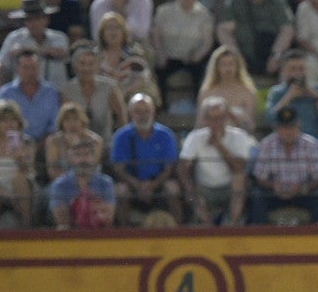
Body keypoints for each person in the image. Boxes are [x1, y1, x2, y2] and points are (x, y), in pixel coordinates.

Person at [178, 95, 255, 224]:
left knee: (239, 179)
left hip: (229, 188)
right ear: (205, 119)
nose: (217, 123)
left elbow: (239, 168)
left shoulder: (239, 136)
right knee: (193, 192)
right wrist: (189, 188)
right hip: (204, 188)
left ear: (227, 118)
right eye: (212, 119)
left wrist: (220, 146)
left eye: (220, 118)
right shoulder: (195, 137)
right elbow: (182, 168)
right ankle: (208, 226)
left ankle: (232, 225)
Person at [249, 105, 318, 223]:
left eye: (292, 127)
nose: (288, 132)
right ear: (276, 128)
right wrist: (273, 186)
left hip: (303, 192)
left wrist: (302, 188)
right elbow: (260, 177)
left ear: (299, 127)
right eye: (284, 128)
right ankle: (259, 236)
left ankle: (317, 236)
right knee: (256, 195)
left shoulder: (310, 144)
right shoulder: (267, 144)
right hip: (275, 193)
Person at [111, 92, 182, 223]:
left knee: (172, 188)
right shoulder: (121, 136)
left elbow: (169, 167)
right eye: (138, 111)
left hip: (159, 183)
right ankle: (124, 232)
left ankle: (177, 228)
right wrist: (138, 185)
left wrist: (153, 185)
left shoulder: (165, 135)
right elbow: (119, 168)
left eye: (146, 111)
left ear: (153, 112)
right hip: (132, 183)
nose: (142, 116)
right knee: (121, 191)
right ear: (130, 113)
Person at [218, 0, 296, 77]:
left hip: (272, 52)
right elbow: (224, 31)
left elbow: (287, 29)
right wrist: (236, 57)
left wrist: (276, 55)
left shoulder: (278, 2)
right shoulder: (234, 3)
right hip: (243, 53)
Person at [0, 101, 40, 227]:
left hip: (23, 187)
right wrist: (5, 194)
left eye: (13, 120)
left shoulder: (27, 142)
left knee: (19, 179)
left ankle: (26, 224)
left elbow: (29, 172)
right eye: (4, 120)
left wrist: (19, 159)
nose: (9, 124)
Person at [0, 0, 71, 90]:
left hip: (55, 95)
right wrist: (3, 90)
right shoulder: (14, 38)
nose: (34, 23)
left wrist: (24, 51)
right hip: (23, 95)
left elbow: (61, 52)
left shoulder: (59, 37)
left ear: (46, 19)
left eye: (38, 18)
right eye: (29, 19)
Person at [49, 133, 117, 229]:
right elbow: (60, 219)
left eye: (87, 154)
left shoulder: (106, 182)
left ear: (94, 158)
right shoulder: (60, 184)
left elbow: (109, 217)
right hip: (71, 234)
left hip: (99, 232)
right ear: (70, 159)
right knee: (62, 228)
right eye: (78, 155)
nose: (83, 160)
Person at [0, 50, 64, 142]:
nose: (30, 72)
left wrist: (40, 145)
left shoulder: (51, 92)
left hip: (46, 145)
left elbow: (55, 124)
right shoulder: (5, 93)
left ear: (39, 68)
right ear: (17, 69)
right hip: (12, 143)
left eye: (33, 67)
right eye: (25, 68)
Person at [265, 48, 318, 138]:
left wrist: (317, 97)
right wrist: (288, 97)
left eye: (301, 68)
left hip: (315, 139)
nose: (297, 73)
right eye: (292, 69)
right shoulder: (276, 92)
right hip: (284, 141)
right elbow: (270, 119)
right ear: (284, 70)